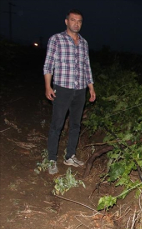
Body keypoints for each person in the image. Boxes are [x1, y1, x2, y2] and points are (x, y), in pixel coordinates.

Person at [43, 9, 96, 174]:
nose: (76, 23)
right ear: (66, 21)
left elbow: (86, 67)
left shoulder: (84, 43)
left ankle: (70, 156)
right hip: (62, 88)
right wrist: (48, 86)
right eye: (73, 20)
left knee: (75, 124)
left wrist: (91, 88)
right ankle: (51, 159)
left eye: (79, 21)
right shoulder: (56, 39)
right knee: (57, 125)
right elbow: (48, 64)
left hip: (80, 90)